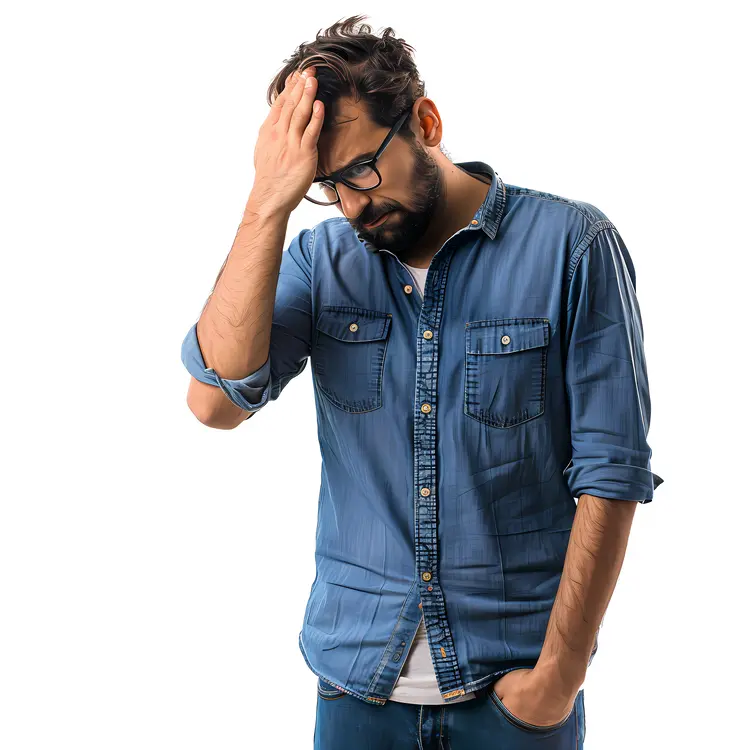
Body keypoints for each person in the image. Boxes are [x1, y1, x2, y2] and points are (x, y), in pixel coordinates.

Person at [180, 14, 664, 750]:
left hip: (513, 694)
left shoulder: (573, 247)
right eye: (323, 186)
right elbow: (215, 401)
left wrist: (556, 681)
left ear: (425, 122)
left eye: (360, 171)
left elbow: (612, 472)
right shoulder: (321, 261)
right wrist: (266, 203)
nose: (350, 206)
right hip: (354, 687)